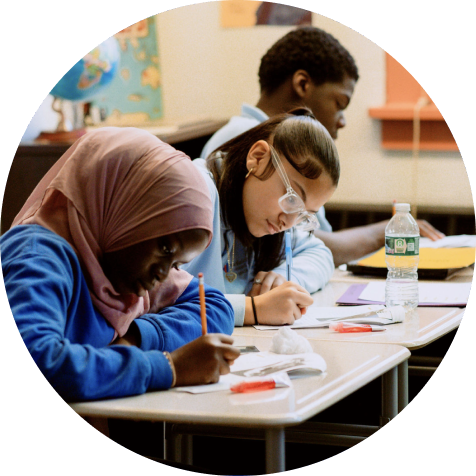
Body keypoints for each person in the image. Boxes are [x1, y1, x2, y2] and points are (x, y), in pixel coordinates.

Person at [0, 127, 239, 402]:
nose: (163, 274)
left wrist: (137, 337)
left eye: (176, 264)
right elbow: (39, 364)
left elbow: (216, 308)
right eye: (164, 248)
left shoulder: (120, 260)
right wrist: (170, 367)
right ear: (124, 209)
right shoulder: (36, 257)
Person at [201, 26, 444, 267]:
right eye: (339, 103)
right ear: (303, 84)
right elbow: (314, 244)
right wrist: (382, 232)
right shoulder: (243, 138)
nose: (342, 120)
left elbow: (312, 247)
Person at [182, 108, 339, 327]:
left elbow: (320, 254)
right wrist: (253, 309)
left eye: (304, 215)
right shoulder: (195, 194)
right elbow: (158, 300)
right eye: (292, 199)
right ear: (258, 158)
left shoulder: (264, 214)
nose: (288, 223)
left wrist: (281, 278)